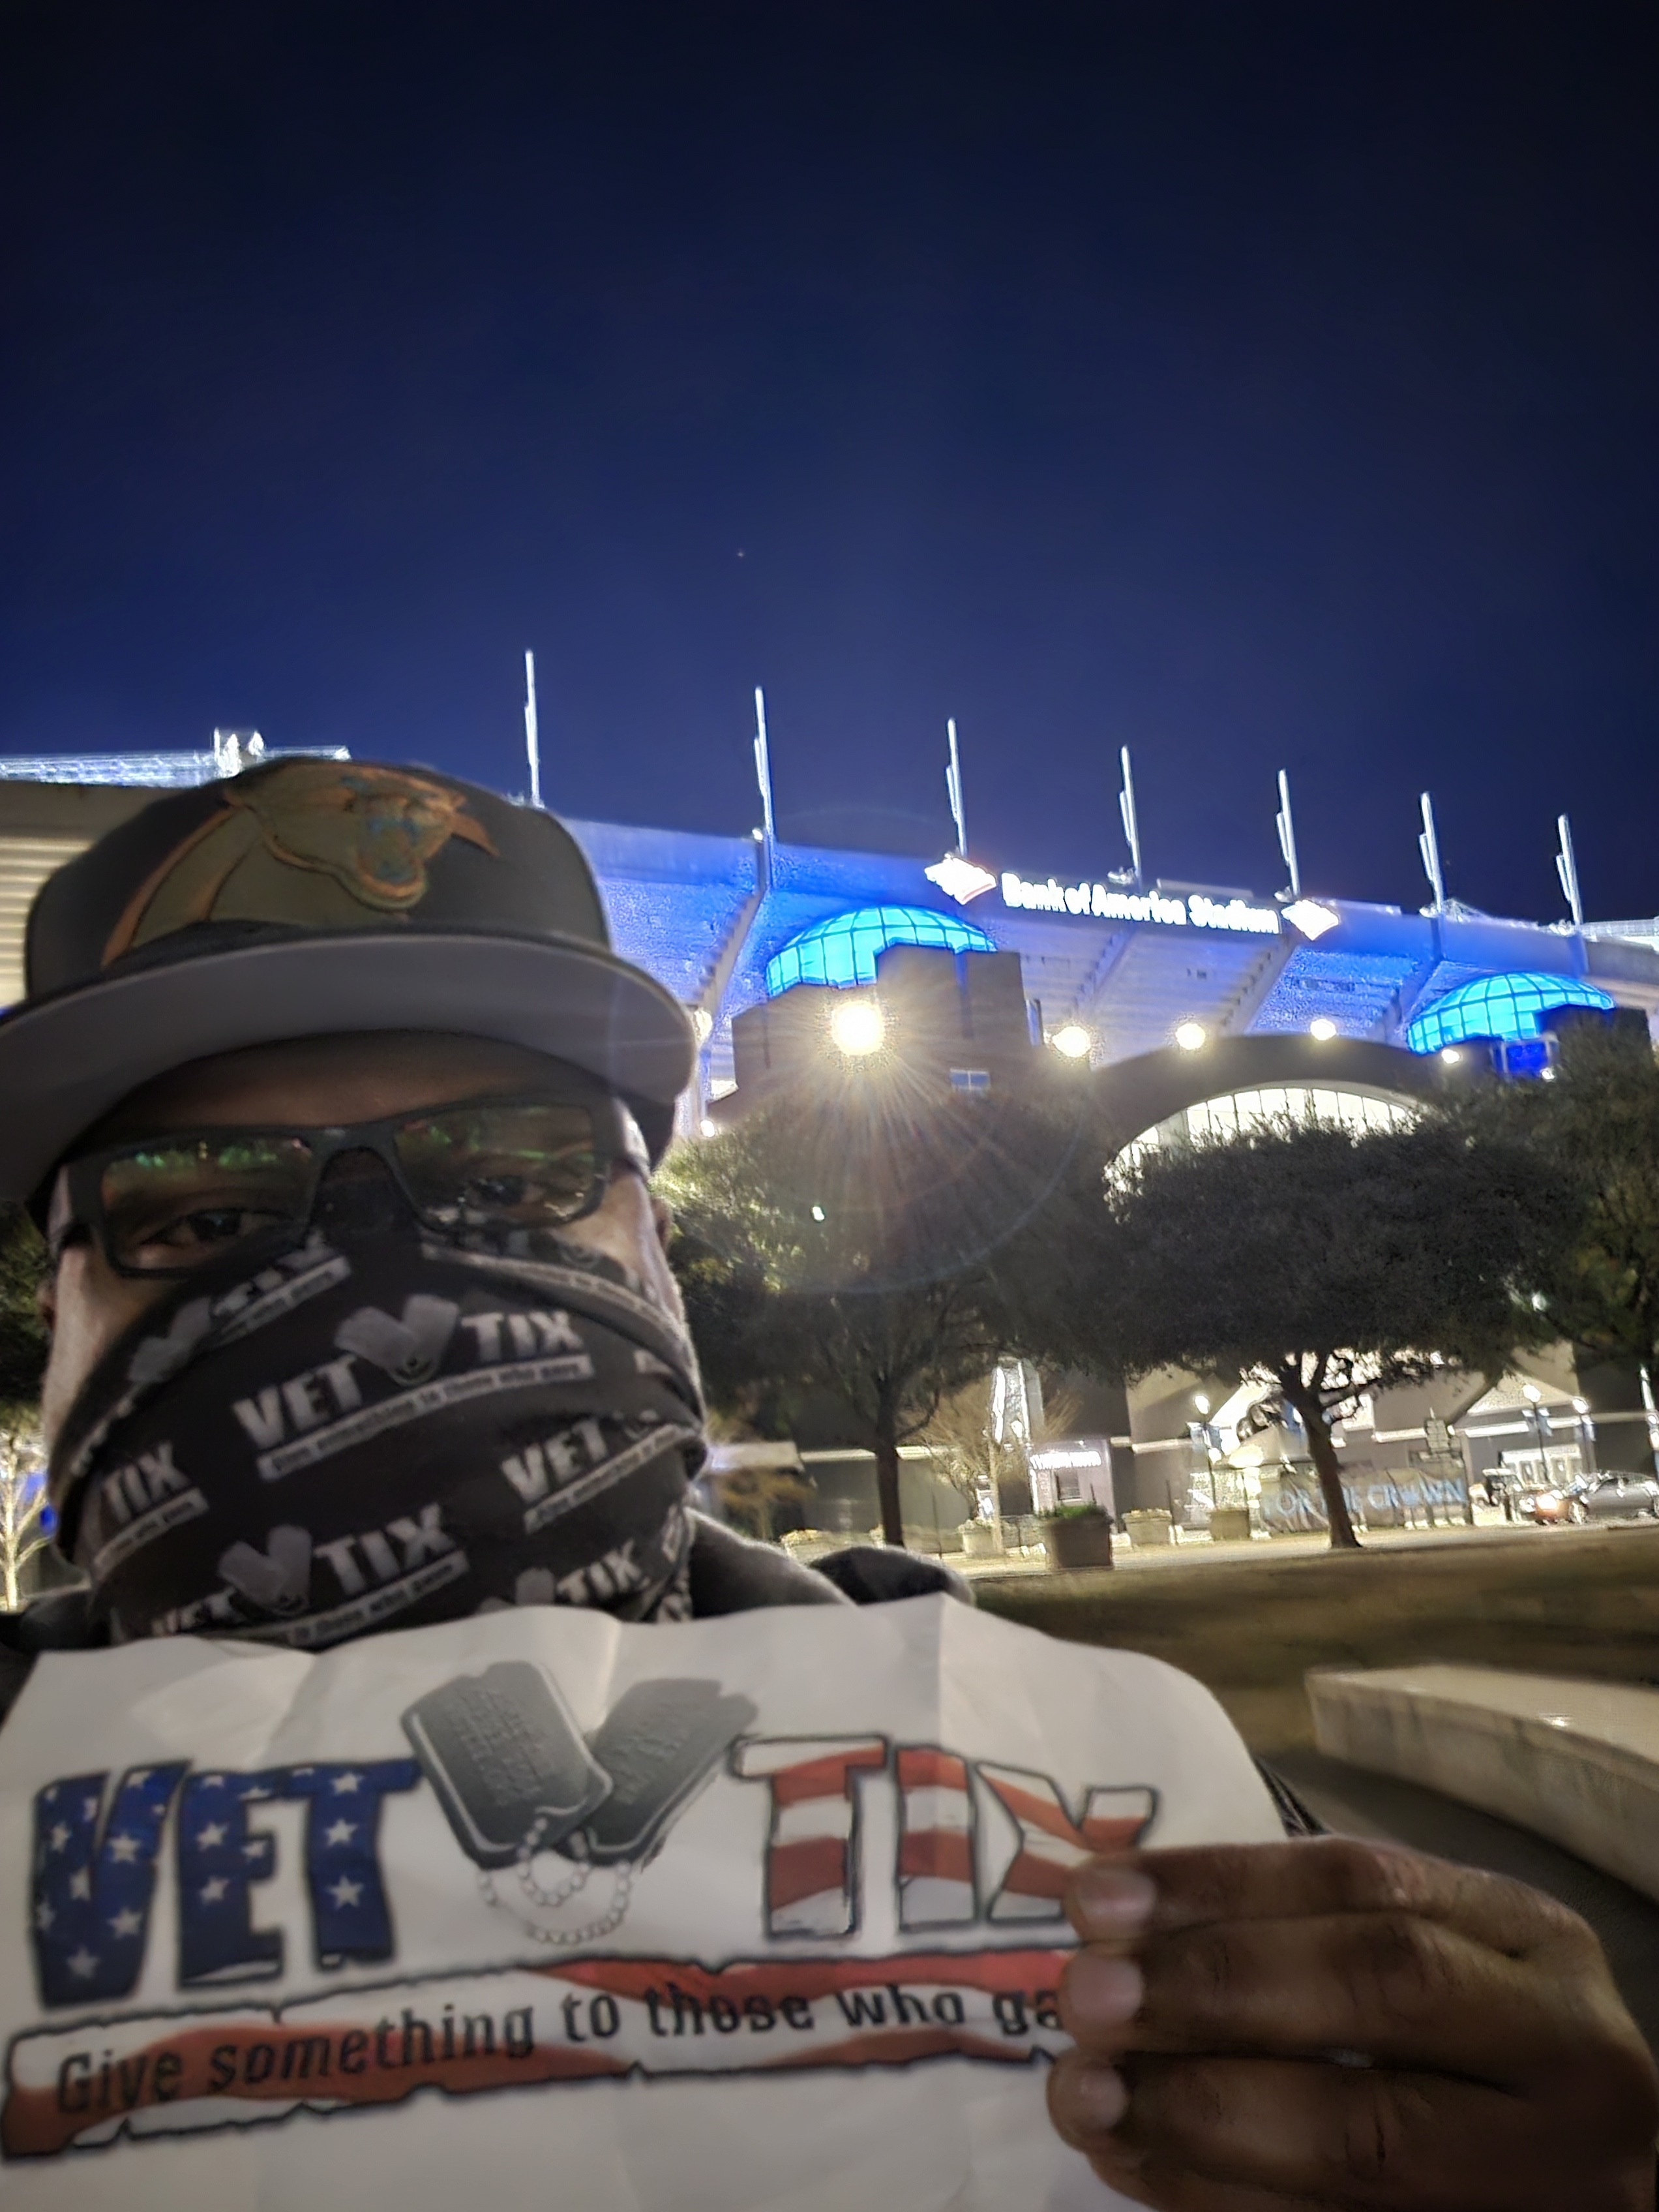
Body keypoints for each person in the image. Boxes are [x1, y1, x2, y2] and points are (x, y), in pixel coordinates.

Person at [1, 756, 1654, 2207]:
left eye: (509, 1179)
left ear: (659, 1254)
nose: (382, 1282)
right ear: (52, 1310)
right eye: (202, 1211)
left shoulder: (1074, 1758)